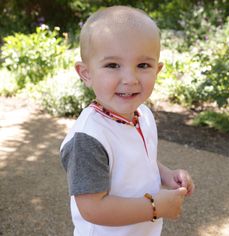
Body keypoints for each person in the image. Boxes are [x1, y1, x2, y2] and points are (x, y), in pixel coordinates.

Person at [60, 5, 194, 236]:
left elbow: (138, 159)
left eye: (143, 65)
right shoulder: (88, 139)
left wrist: (165, 174)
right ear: (86, 73)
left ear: (157, 70)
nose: (130, 79)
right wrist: (155, 206)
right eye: (113, 65)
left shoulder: (143, 114)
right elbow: (92, 208)